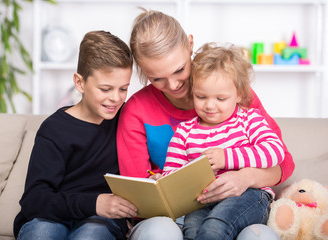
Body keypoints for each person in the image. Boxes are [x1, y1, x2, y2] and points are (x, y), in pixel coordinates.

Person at [117, 8, 295, 239]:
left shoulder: (231, 92)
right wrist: (165, 182)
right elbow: (141, 193)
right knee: (166, 231)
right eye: (157, 78)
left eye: (179, 69)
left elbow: (283, 161)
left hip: (244, 200)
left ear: (190, 44)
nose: (172, 85)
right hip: (180, 213)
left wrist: (246, 177)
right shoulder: (140, 113)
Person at [14, 30, 137, 240]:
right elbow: (34, 199)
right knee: (42, 233)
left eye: (123, 89)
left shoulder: (128, 118)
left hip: (100, 221)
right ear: (80, 83)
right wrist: (94, 203)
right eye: (105, 89)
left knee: (91, 235)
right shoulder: (54, 129)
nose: (116, 98)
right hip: (51, 217)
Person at [161, 42, 285, 239]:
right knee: (192, 231)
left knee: (214, 227)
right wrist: (182, 175)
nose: (210, 105)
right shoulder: (184, 132)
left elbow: (274, 151)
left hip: (248, 196)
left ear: (240, 95)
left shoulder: (249, 119)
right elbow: (171, 174)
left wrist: (226, 157)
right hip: (202, 200)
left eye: (220, 99)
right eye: (201, 97)